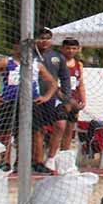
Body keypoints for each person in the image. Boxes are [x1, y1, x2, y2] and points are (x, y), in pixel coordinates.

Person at [0, 52, 57, 173]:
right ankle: (5, 162)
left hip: (31, 102)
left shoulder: (37, 65)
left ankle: (36, 162)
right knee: (5, 132)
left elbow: (53, 83)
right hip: (9, 101)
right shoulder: (6, 61)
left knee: (37, 131)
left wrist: (46, 97)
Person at [33, 28, 72, 161]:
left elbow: (65, 77)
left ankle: (51, 157)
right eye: (41, 38)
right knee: (38, 130)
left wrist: (66, 98)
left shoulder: (57, 56)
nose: (44, 41)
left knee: (60, 125)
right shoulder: (29, 55)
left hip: (53, 98)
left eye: (47, 39)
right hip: (34, 98)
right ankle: (35, 158)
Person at [59, 38, 86, 151]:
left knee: (70, 129)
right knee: (59, 127)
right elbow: (53, 84)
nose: (70, 51)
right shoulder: (57, 63)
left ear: (78, 49)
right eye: (68, 48)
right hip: (59, 100)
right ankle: (53, 155)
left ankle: (64, 153)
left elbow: (80, 84)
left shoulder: (78, 64)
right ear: (62, 49)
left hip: (74, 101)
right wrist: (66, 99)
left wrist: (84, 100)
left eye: (73, 48)